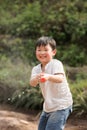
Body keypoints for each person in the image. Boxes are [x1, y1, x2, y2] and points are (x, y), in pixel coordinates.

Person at [29, 36, 73, 130]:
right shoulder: (36, 69)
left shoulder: (56, 64)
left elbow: (60, 78)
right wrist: (36, 78)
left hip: (61, 105)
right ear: (35, 52)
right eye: (39, 50)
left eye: (45, 50)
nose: (42, 53)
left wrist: (48, 76)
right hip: (48, 107)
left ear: (53, 52)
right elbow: (32, 83)